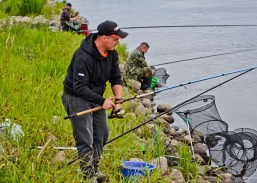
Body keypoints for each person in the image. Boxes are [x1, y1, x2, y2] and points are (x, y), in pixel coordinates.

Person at [61, 20, 128, 182]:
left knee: (102, 134)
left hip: (96, 97)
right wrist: (102, 100)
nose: (118, 41)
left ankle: (94, 167)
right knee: (86, 138)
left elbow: (115, 78)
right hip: (77, 97)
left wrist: (118, 101)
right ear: (103, 37)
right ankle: (87, 174)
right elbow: (79, 87)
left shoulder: (112, 53)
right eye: (115, 38)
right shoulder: (83, 57)